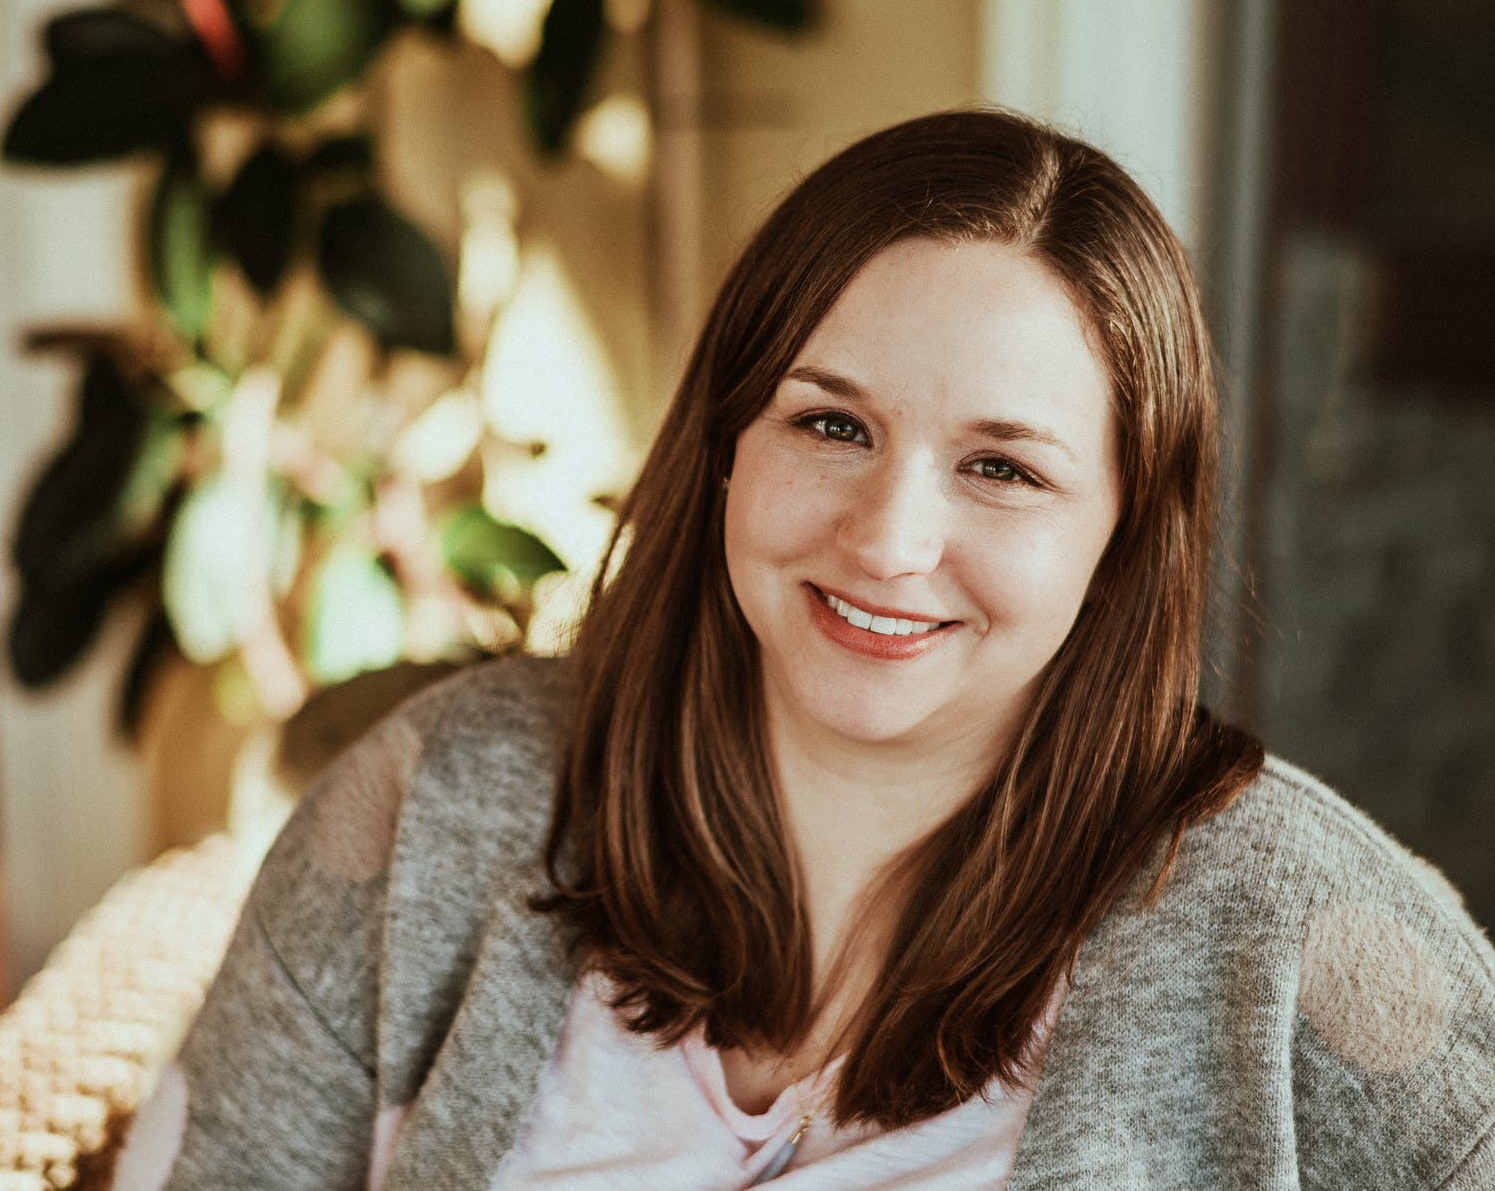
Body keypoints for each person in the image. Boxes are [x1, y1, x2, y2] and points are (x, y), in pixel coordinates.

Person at [121, 109, 1495, 1189]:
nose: (889, 540)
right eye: (831, 424)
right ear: (727, 442)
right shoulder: (434, 799)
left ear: (1123, 532)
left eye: (1003, 467)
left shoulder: (1306, 939)